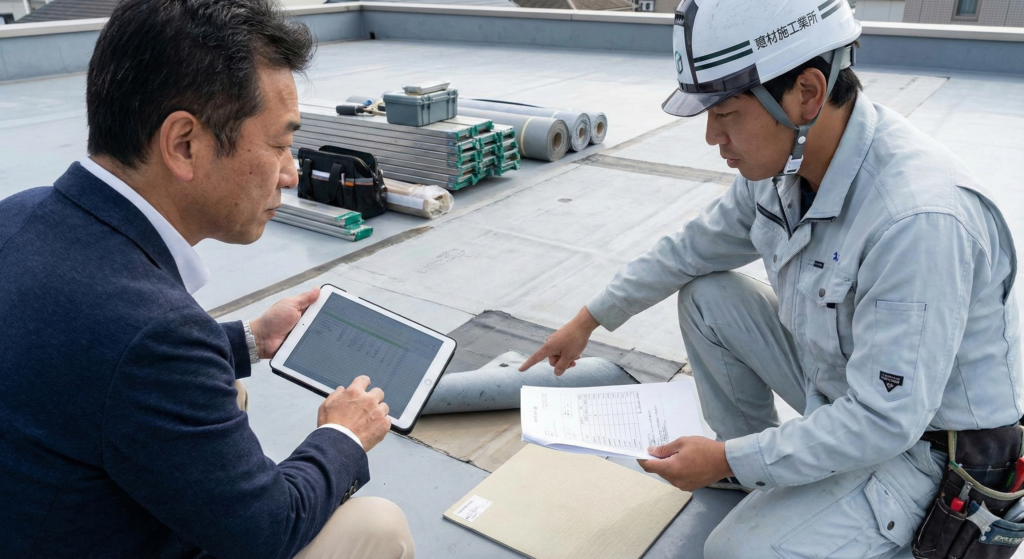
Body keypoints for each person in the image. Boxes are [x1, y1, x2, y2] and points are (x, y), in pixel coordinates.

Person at [520, 0, 1022, 556]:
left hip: (931, 455)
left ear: (806, 93)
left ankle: (759, 476)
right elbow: (691, 249)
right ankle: (755, 471)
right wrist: (588, 319)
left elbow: (884, 420)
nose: (713, 138)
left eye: (726, 114)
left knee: (733, 552)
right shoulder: (787, 166)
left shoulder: (918, 220)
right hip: (843, 391)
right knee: (709, 297)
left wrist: (731, 456)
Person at [0, 0, 414, 557]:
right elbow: (268, 530)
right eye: (279, 144)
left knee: (231, 390)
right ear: (185, 144)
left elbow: (87, 353)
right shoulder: (157, 333)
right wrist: (342, 436)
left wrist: (249, 338)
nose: (291, 174)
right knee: (378, 526)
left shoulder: (18, 214)